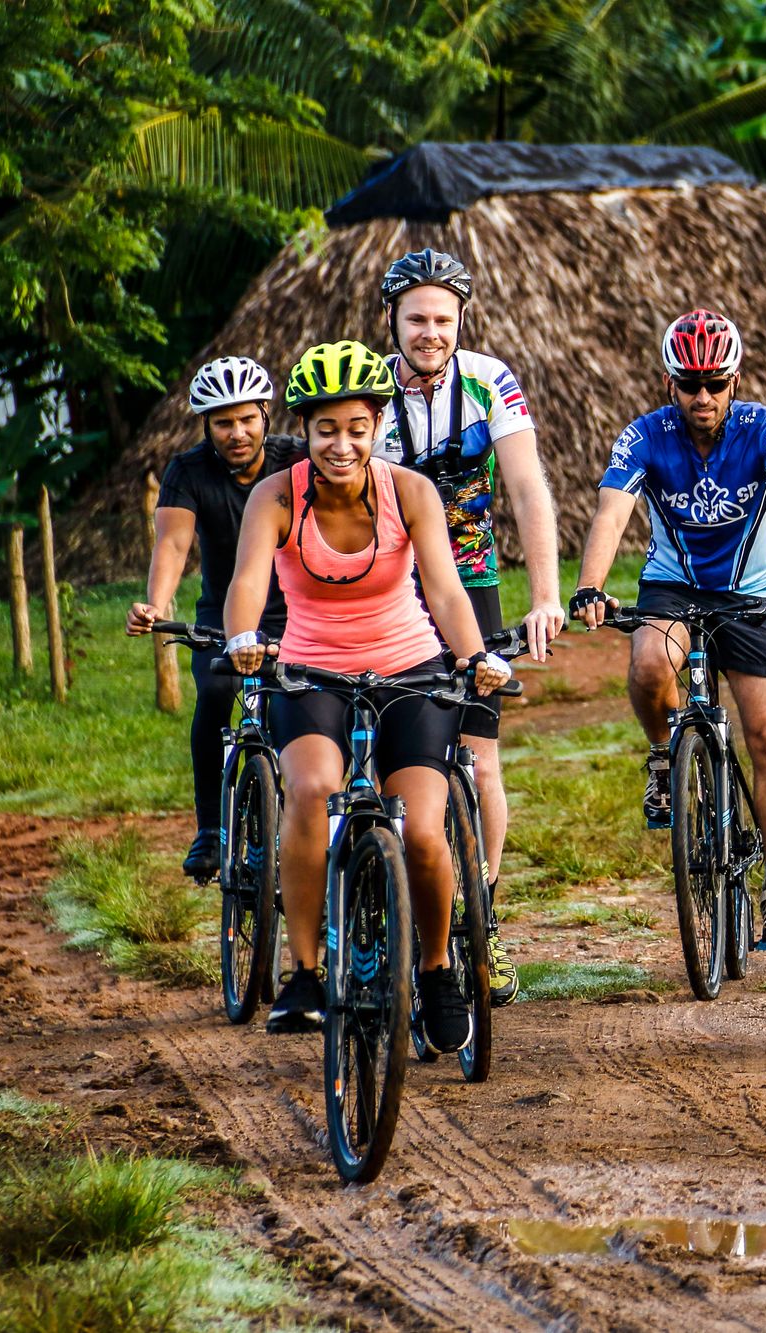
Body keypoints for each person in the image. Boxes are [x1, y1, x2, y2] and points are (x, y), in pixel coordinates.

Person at [225, 340, 511, 1047]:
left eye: (357, 427)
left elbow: (443, 586)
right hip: (311, 672)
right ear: (305, 430)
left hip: (410, 672)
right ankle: (305, 973)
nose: (342, 444)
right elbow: (247, 584)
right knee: (312, 789)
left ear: (378, 424)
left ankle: (440, 968)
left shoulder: (409, 492)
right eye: (326, 429)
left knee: (420, 826)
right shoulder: (275, 496)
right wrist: (242, 639)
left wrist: (474, 655)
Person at [569, 308, 766, 945]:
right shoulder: (645, 434)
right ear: (669, 383)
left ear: (736, 379)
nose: (703, 396)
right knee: (650, 664)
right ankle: (661, 754)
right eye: (689, 384)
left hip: (755, 592)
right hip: (673, 586)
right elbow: (611, 512)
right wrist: (591, 585)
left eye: (716, 382)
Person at [373, 248, 561, 1006]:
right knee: (390, 762)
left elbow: (526, 485)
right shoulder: (372, 391)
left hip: (473, 589)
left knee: (481, 764)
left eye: (443, 319)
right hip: (390, 595)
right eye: (416, 318)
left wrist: (545, 593)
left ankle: (480, 917)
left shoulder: (489, 380)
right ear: (392, 320)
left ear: (461, 321)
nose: (430, 332)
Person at [127, 357, 306, 879]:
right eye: (223, 422)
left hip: (298, 613)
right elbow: (174, 543)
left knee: (295, 714)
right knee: (213, 693)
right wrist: (155, 606)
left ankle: (299, 826)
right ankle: (210, 826)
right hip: (222, 616)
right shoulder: (188, 470)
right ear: (206, 425)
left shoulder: (295, 460)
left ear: (266, 416)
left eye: (247, 419)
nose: (237, 432)